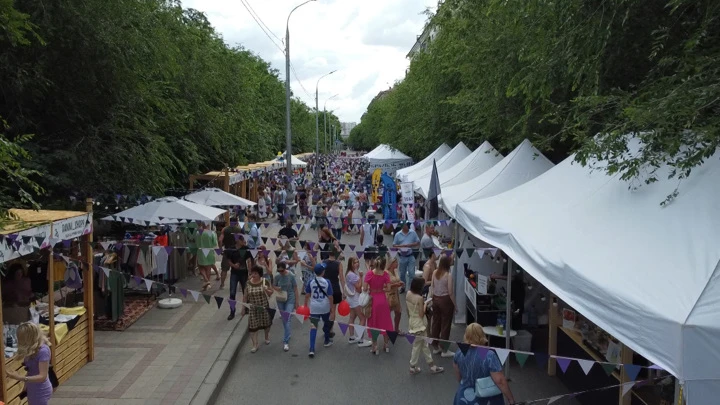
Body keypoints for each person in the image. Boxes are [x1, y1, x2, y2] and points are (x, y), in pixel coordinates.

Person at [453, 323, 516, 405]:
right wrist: (510, 399)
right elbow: (500, 380)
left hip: (464, 397)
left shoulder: (459, 352)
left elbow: (459, 377)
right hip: (486, 399)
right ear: (482, 335)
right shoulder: (489, 355)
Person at [7, 322, 52, 405]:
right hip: (33, 387)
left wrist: (20, 378)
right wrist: (26, 385)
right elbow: (31, 370)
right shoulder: (34, 349)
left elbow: (42, 376)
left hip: (40, 390)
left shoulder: (43, 351)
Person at [406, 277, 444, 375]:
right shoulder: (419, 298)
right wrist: (425, 303)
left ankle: (431, 365)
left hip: (412, 321)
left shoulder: (408, 293)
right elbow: (421, 314)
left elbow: (408, 309)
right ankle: (413, 366)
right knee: (418, 345)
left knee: (423, 345)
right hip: (420, 324)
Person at [364, 256, 394, 355]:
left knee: (374, 323)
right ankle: (386, 345)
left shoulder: (369, 274)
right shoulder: (385, 274)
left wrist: (370, 289)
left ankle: (375, 346)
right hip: (382, 299)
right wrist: (382, 289)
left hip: (373, 299)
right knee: (385, 322)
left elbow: (364, 288)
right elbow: (389, 288)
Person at [241, 265, 274, 353]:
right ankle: (255, 344)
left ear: (260, 274)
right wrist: (243, 308)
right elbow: (245, 296)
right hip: (253, 308)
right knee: (253, 327)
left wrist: (266, 290)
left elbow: (271, 293)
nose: (253, 275)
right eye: (252, 273)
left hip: (264, 307)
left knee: (266, 324)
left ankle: (266, 336)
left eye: (256, 273)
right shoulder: (248, 283)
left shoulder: (265, 281)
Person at [304, 263, 335, 358]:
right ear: (323, 272)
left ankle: (312, 348)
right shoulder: (327, 282)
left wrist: (305, 305)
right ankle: (326, 340)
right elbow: (330, 297)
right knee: (326, 323)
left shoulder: (311, 281)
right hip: (324, 306)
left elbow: (307, 295)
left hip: (314, 307)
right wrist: (332, 309)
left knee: (313, 326)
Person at [431, 255, 456, 358]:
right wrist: (455, 304)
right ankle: (444, 349)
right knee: (445, 324)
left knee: (436, 322)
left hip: (435, 299)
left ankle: (435, 346)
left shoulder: (434, 272)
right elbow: (450, 292)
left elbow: (432, 286)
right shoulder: (448, 275)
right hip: (445, 300)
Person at [344, 257, 372, 347]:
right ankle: (361, 340)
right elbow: (358, 287)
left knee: (352, 317)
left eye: (357, 262)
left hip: (351, 298)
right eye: (354, 262)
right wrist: (361, 276)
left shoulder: (350, 273)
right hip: (355, 299)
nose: (356, 264)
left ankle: (352, 337)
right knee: (362, 318)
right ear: (350, 264)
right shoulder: (352, 275)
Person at [273, 262, 299, 352]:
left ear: (285, 269)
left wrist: (297, 302)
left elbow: (295, 288)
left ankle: (286, 341)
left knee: (286, 318)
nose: (281, 272)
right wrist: (276, 288)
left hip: (290, 297)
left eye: (282, 270)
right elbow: (273, 285)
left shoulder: (291, 275)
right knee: (285, 319)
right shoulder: (277, 276)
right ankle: (288, 332)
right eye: (279, 270)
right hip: (280, 298)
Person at [227, 236, 253, 321]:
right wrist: (234, 265)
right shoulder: (231, 249)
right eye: (242, 240)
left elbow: (249, 261)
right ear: (238, 241)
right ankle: (232, 311)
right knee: (232, 292)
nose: (244, 242)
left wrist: (250, 273)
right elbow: (228, 261)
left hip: (244, 273)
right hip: (234, 273)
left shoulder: (246, 249)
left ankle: (246, 308)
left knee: (246, 292)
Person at [323, 243, 346, 337]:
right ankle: (330, 330)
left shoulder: (323, 262)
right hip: (335, 288)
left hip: (325, 288)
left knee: (326, 310)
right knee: (333, 310)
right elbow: (341, 278)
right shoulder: (339, 264)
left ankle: (326, 327)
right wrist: (344, 291)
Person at [392, 221, 421, 292]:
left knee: (411, 273)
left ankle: (410, 288)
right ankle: (403, 286)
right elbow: (394, 245)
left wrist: (409, 245)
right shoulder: (398, 235)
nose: (407, 226)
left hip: (410, 255)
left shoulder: (413, 233)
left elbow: (418, 242)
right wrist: (401, 247)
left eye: (408, 225)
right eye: (406, 225)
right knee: (402, 273)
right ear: (403, 226)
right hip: (402, 256)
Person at [218, 221, 243, 289]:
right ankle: (241, 285)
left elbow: (220, 240)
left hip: (227, 251)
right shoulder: (239, 229)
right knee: (239, 269)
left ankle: (222, 284)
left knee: (224, 269)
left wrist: (220, 249)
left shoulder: (225, 229)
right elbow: (243, 241)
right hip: (236, 251)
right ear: (236, 222)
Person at [197, 222, 218, 291]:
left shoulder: (198, 233)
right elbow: (215, 243)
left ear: (202, 225)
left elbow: (196, 243)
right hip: (210, 251)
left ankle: (206, 281)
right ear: (208, 225)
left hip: (200, 251)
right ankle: (207, 282)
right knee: (208, 268)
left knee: (200, 266)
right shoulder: (211, 233)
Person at [385, 258, 405, 334]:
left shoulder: (395, 271)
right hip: (388, 294)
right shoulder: (386, 273)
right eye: (395, 262)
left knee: (398, 312)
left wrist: (400, 282)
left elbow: (397, 280)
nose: (397, 264)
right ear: (391, 264)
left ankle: (396, 329)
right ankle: (388, 330)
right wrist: (395, 284)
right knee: (388, 313)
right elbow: (384, 285)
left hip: (396, 293)